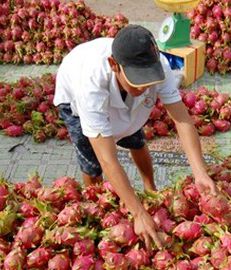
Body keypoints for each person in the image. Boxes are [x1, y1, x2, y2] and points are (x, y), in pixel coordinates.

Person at [53, 24, 218, 250]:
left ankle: (150, 188)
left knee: (136, 139)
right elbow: (108, 159)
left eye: (148, 79)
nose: (144, 86)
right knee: (92, 162)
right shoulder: (90, 84)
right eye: (137, 80)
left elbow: (182, 119)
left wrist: (200, 172)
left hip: (120, 98)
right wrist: (138, 213)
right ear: (114, 65)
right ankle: (96, 205)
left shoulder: (159, 66)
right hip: (73, 96)